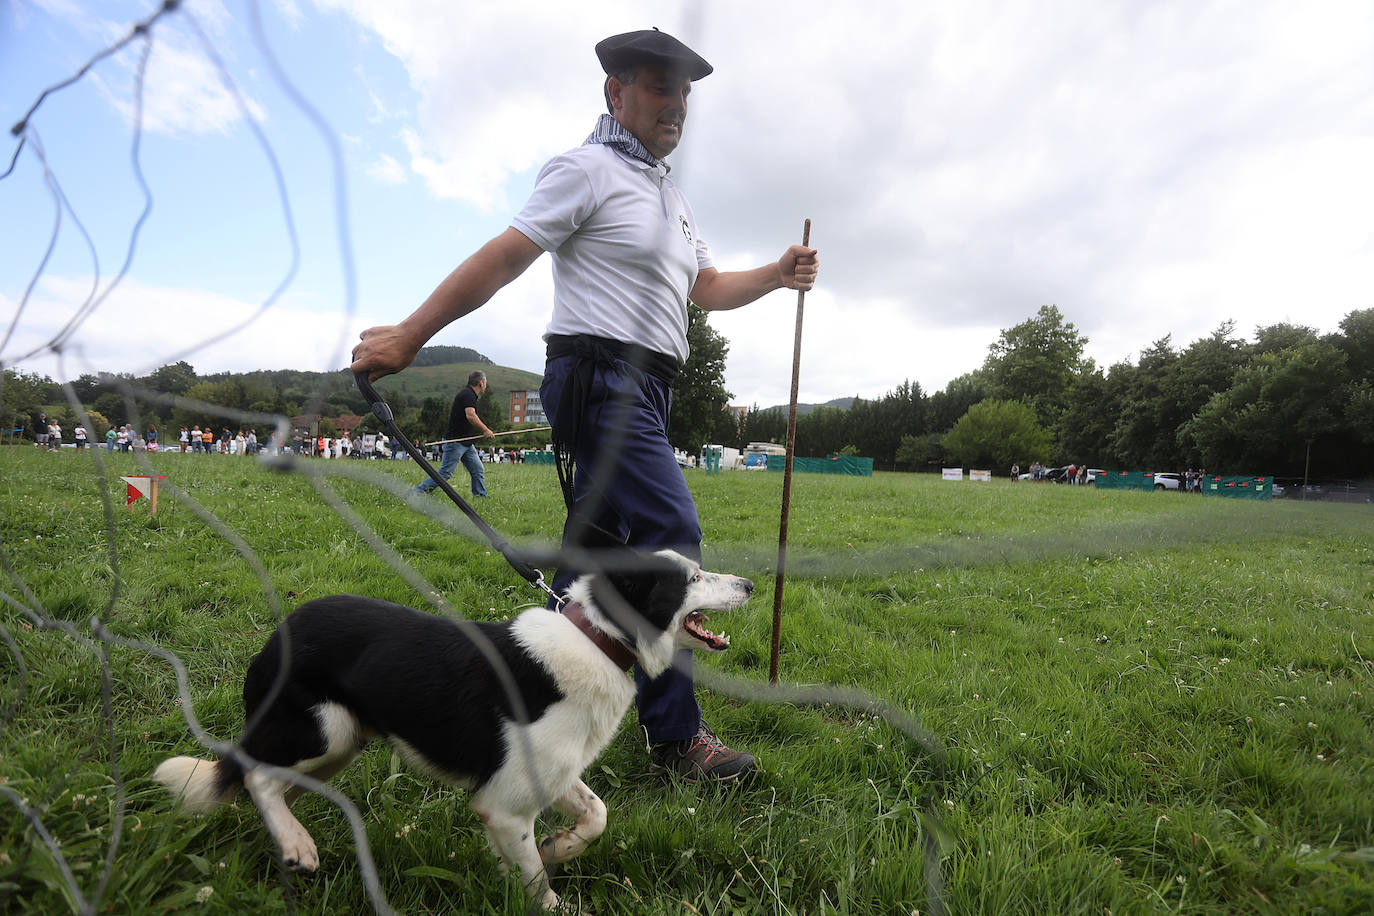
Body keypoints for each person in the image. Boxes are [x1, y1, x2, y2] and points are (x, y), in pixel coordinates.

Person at [351, 29, 818, 783]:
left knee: (595, 552)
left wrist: (777, 271)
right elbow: (505, 256)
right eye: (660, 87)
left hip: (649, 387)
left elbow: (706, 289)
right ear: (617, 93)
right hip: (601, 376)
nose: (677, 105)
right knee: (671, 531)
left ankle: (518, 691)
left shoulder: (671, 194)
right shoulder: (587, 169)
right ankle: (676, 741)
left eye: (685, 92)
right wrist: (411, 334)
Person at [414, 370, 495, 497]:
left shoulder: (470, 394)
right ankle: (417, 492)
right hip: (455, 442)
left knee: (477, 469)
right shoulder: (468, 394)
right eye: (485, 382)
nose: (486, 385)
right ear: (481, 383)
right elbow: (471, 415)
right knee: (446, 473)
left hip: (466, 443)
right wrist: (486, 430)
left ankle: (480, 496)